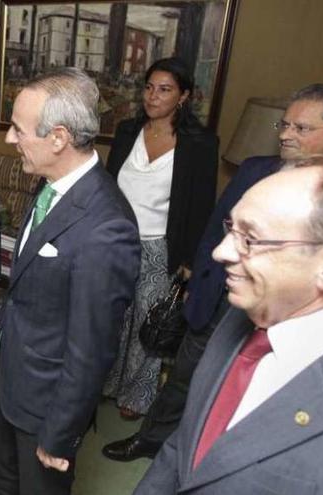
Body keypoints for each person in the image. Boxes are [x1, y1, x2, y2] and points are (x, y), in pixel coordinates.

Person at [104, 83, 323, 462]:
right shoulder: (257, 169)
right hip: (220, 302)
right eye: (284, 125)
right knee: (185, 378)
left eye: (301, 128)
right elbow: (217, 225)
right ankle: (152, 441)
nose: (287, 134)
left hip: (284, 319)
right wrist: (199, 275)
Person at [0, 67, 141, 495]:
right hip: (12, 378)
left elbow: (92, 348)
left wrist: (60, 431)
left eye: (18, 129)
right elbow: (26, 292)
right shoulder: (49, 184)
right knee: (3, 479)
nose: (10, 140)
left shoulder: (107, 226)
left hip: (47, 405)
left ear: (58, 138)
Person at [135, 161, 323, 494]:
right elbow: (184, 444)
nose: (220, 251)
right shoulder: (238, 316)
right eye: (232, 230)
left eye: (250, 240)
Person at [102, 57, 219, 422]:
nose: (153, 96)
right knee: (112, 316)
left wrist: (189, 260)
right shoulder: (126, 131)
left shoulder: (199, 143)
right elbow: (107, 186)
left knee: (149, 325)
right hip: (116, 241)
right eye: (149, 87)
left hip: (160, 248)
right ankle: (105, 381)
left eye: (165, 89)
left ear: (183, 96)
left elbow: (201, 206)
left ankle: (136, 395)